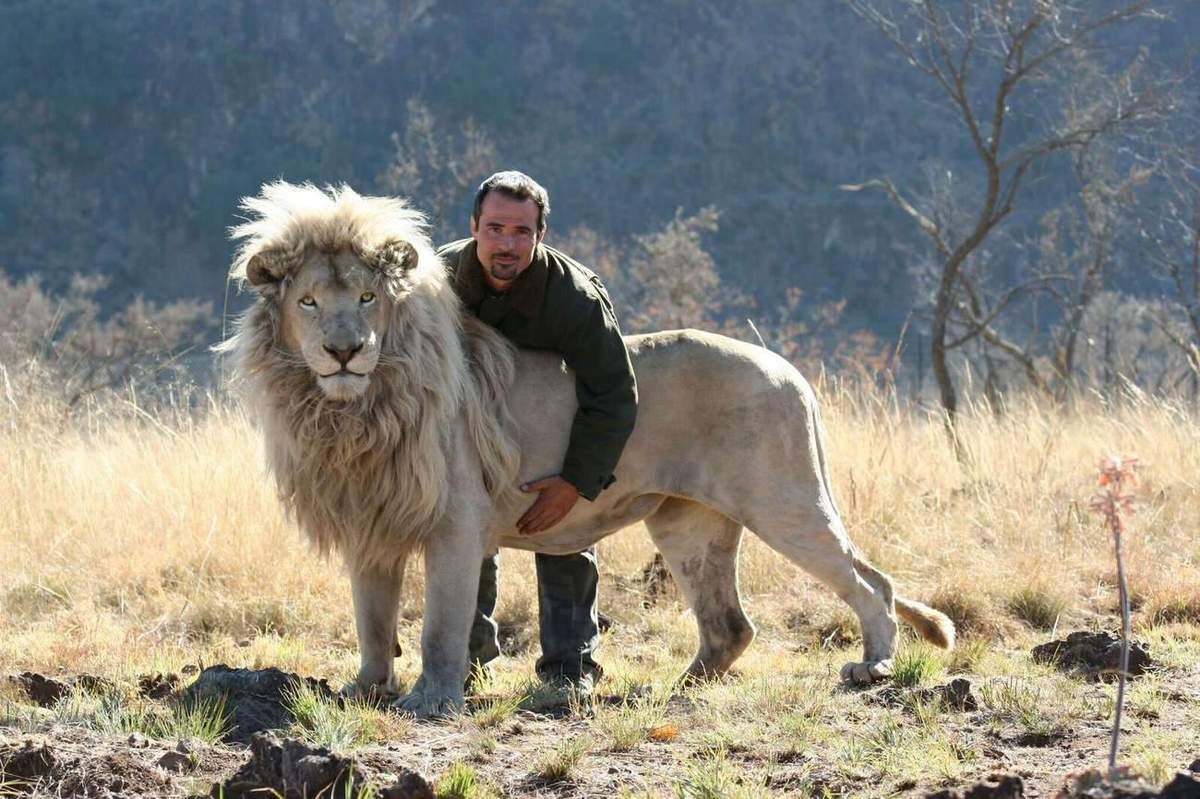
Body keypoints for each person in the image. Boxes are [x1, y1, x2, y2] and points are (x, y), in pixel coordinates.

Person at [437, 170, 638, 700]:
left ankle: (570, 672)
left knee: (564, 531)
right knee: (462, 533)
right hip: (463, 434)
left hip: (551, 433)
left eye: (521, 232)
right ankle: (467, 662)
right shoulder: (436, 281)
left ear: (540, 235)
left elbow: (615, 395)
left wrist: (575, 481)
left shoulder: (575, 298)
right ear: (474, 226)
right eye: (496, 228)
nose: (507, 243)